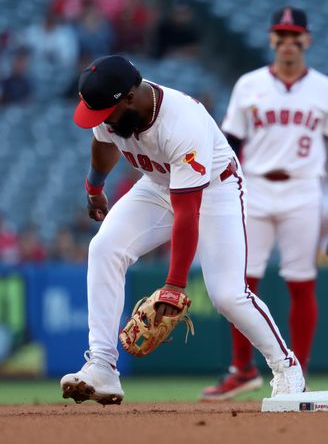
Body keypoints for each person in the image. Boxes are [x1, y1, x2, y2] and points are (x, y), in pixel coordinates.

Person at [59, 55, 305, 405]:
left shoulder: (181, 123)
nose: (102, 121)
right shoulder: (111, 110)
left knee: (227, 295)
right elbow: (102, 142)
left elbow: (187, 212)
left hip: (215, 191)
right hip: (158, 185)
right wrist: (95, 187)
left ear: (129, 98)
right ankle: (102, 366)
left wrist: (174, 286)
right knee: (104, 249)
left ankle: (287, 368)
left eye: (104, 113)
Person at [202, 7, 328, 400]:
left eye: (295, 36)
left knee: (301, 280)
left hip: (304, 188)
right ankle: (242, 369)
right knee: (240, 283)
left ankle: (298, 372)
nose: (288, 43)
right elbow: (229, 143)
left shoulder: (326, 89)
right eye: (281, 35)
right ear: (271, 39)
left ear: (307, 40)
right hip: (252, 187)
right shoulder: (249, 85)